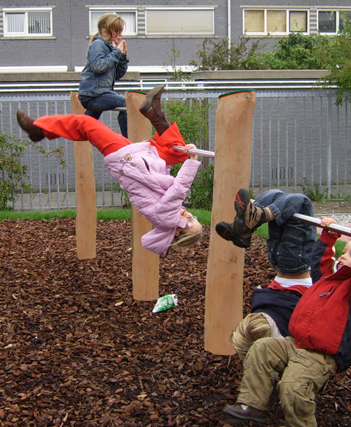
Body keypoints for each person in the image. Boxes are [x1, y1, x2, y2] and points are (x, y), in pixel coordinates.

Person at [219, 190, 351, 426]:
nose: (343, 257)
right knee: (261, 349)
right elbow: (318, 262)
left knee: (292, 389)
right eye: (343, 253)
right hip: (295, 344)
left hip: (321, 356)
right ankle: (252, 405)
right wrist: (329, 236)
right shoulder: (326, 281)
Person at [16, 86, 202, 258]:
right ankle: (154, 112)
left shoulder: (167, 220)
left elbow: (179, 189)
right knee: (173, 151)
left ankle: (39, 129)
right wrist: (176, 160)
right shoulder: (169, 216)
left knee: (86, 123)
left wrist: (192, 163)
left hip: (127, 162)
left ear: (177, 231)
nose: (189, 216)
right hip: (139, 165)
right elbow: (162, 181)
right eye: (194, 217)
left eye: (189, 223)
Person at [216, 189, 318, 358]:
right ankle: (246, 227)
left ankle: (247, 224)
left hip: (296, 262)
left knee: (292, 201)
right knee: (285, 198)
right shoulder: (261, 304)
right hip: (279, 261)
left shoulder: (287, 322)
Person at [78, 13, 130, 137]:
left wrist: (122, 57)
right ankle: (129, 141)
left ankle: (77, 128)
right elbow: (98, 67)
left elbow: (117, 75)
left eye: (121, 31)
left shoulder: (110, 48)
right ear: (105, 32)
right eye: (117, 31)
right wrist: (116, 52)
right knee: (128, 104)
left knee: (85, 126)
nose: (120, 35)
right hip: (93, 95)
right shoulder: (98, 45)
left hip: (102, 93)